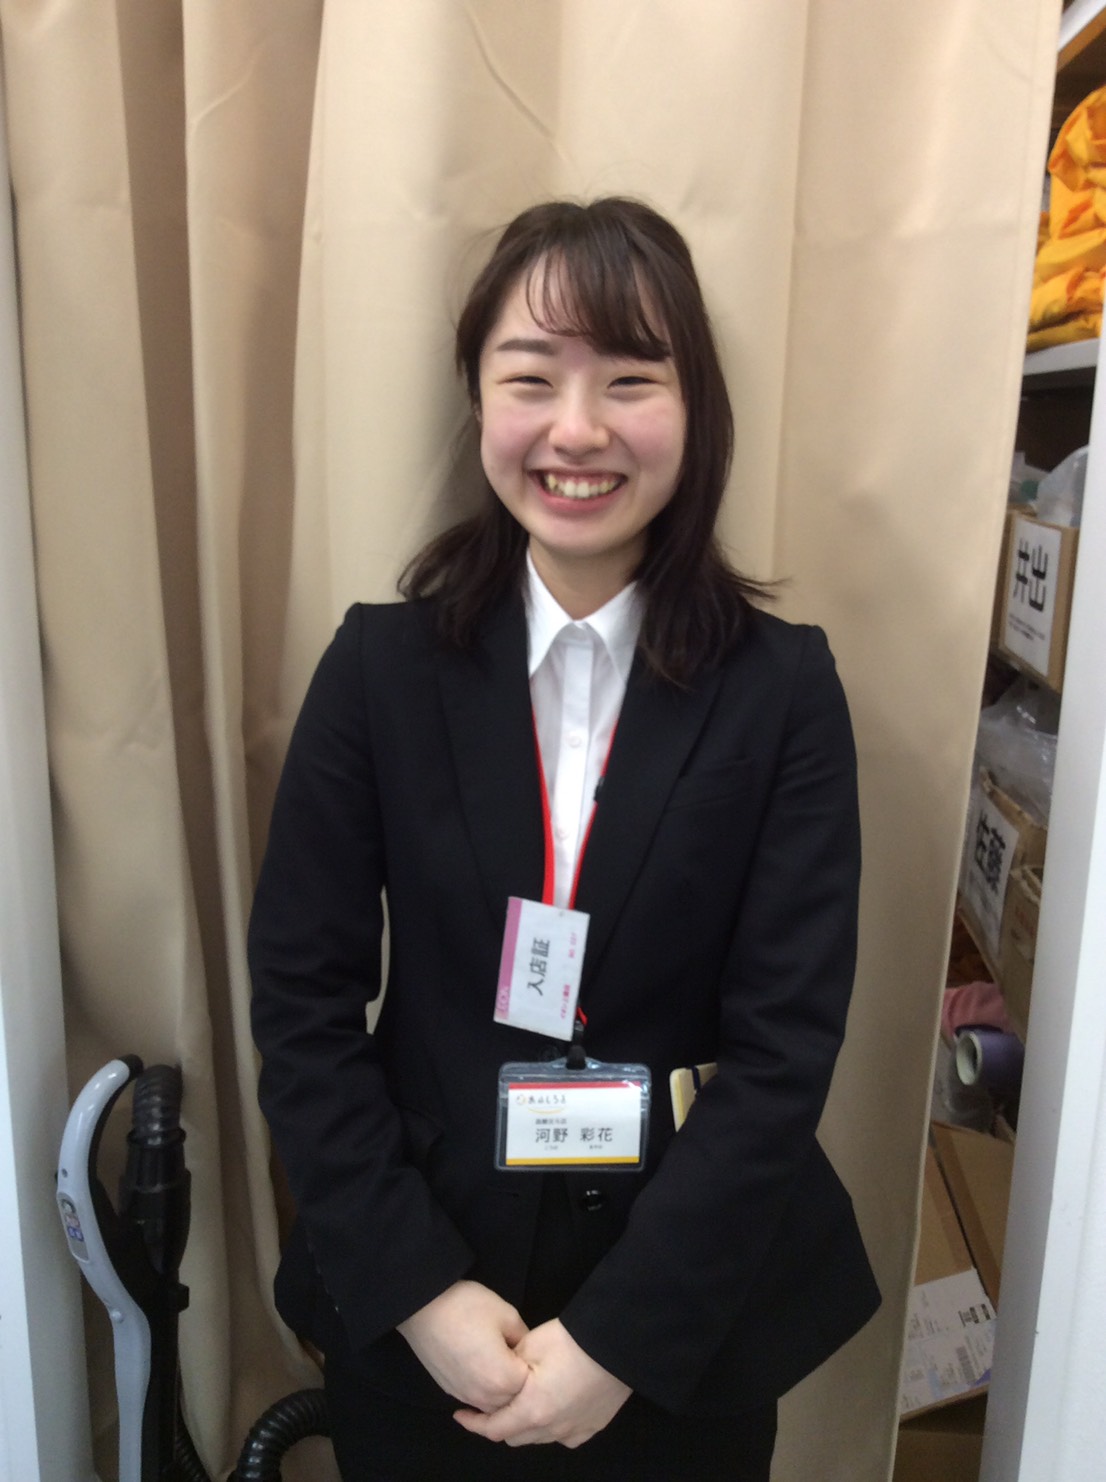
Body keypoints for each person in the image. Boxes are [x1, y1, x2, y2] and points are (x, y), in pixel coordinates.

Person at [248, 197, 880, 1482]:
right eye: (529, 378)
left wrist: (620, 1340)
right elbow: (299, 1004)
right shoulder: (377, 671)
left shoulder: (782, 690)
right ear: (478, 401)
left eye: (630, 380)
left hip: (683, 1322)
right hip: (427, 1304)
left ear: (694, 409)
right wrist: (420, 1293)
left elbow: (785, 1048)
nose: (576, 429)